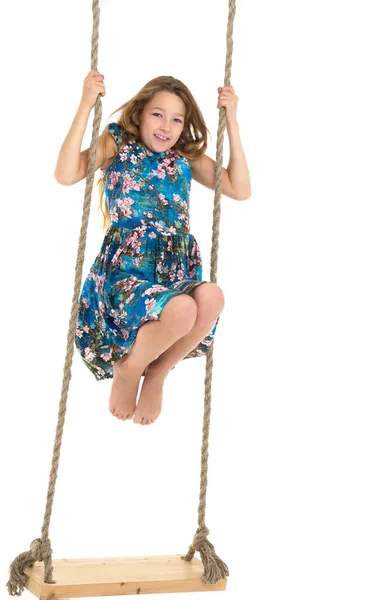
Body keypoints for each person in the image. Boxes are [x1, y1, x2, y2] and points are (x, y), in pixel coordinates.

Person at [54, 70, 251, 427]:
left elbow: (239, 188)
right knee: (180, 312)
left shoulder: (184, 156)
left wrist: (232, 122)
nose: (167, 126)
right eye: (158, 114)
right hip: (127, 271)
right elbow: (67, 174)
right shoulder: (119, 143)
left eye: (177, 119)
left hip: (175, 272)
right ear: (141, 113)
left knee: (211, 299)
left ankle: (157, 373)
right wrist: (85, 104)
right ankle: (130, 370)